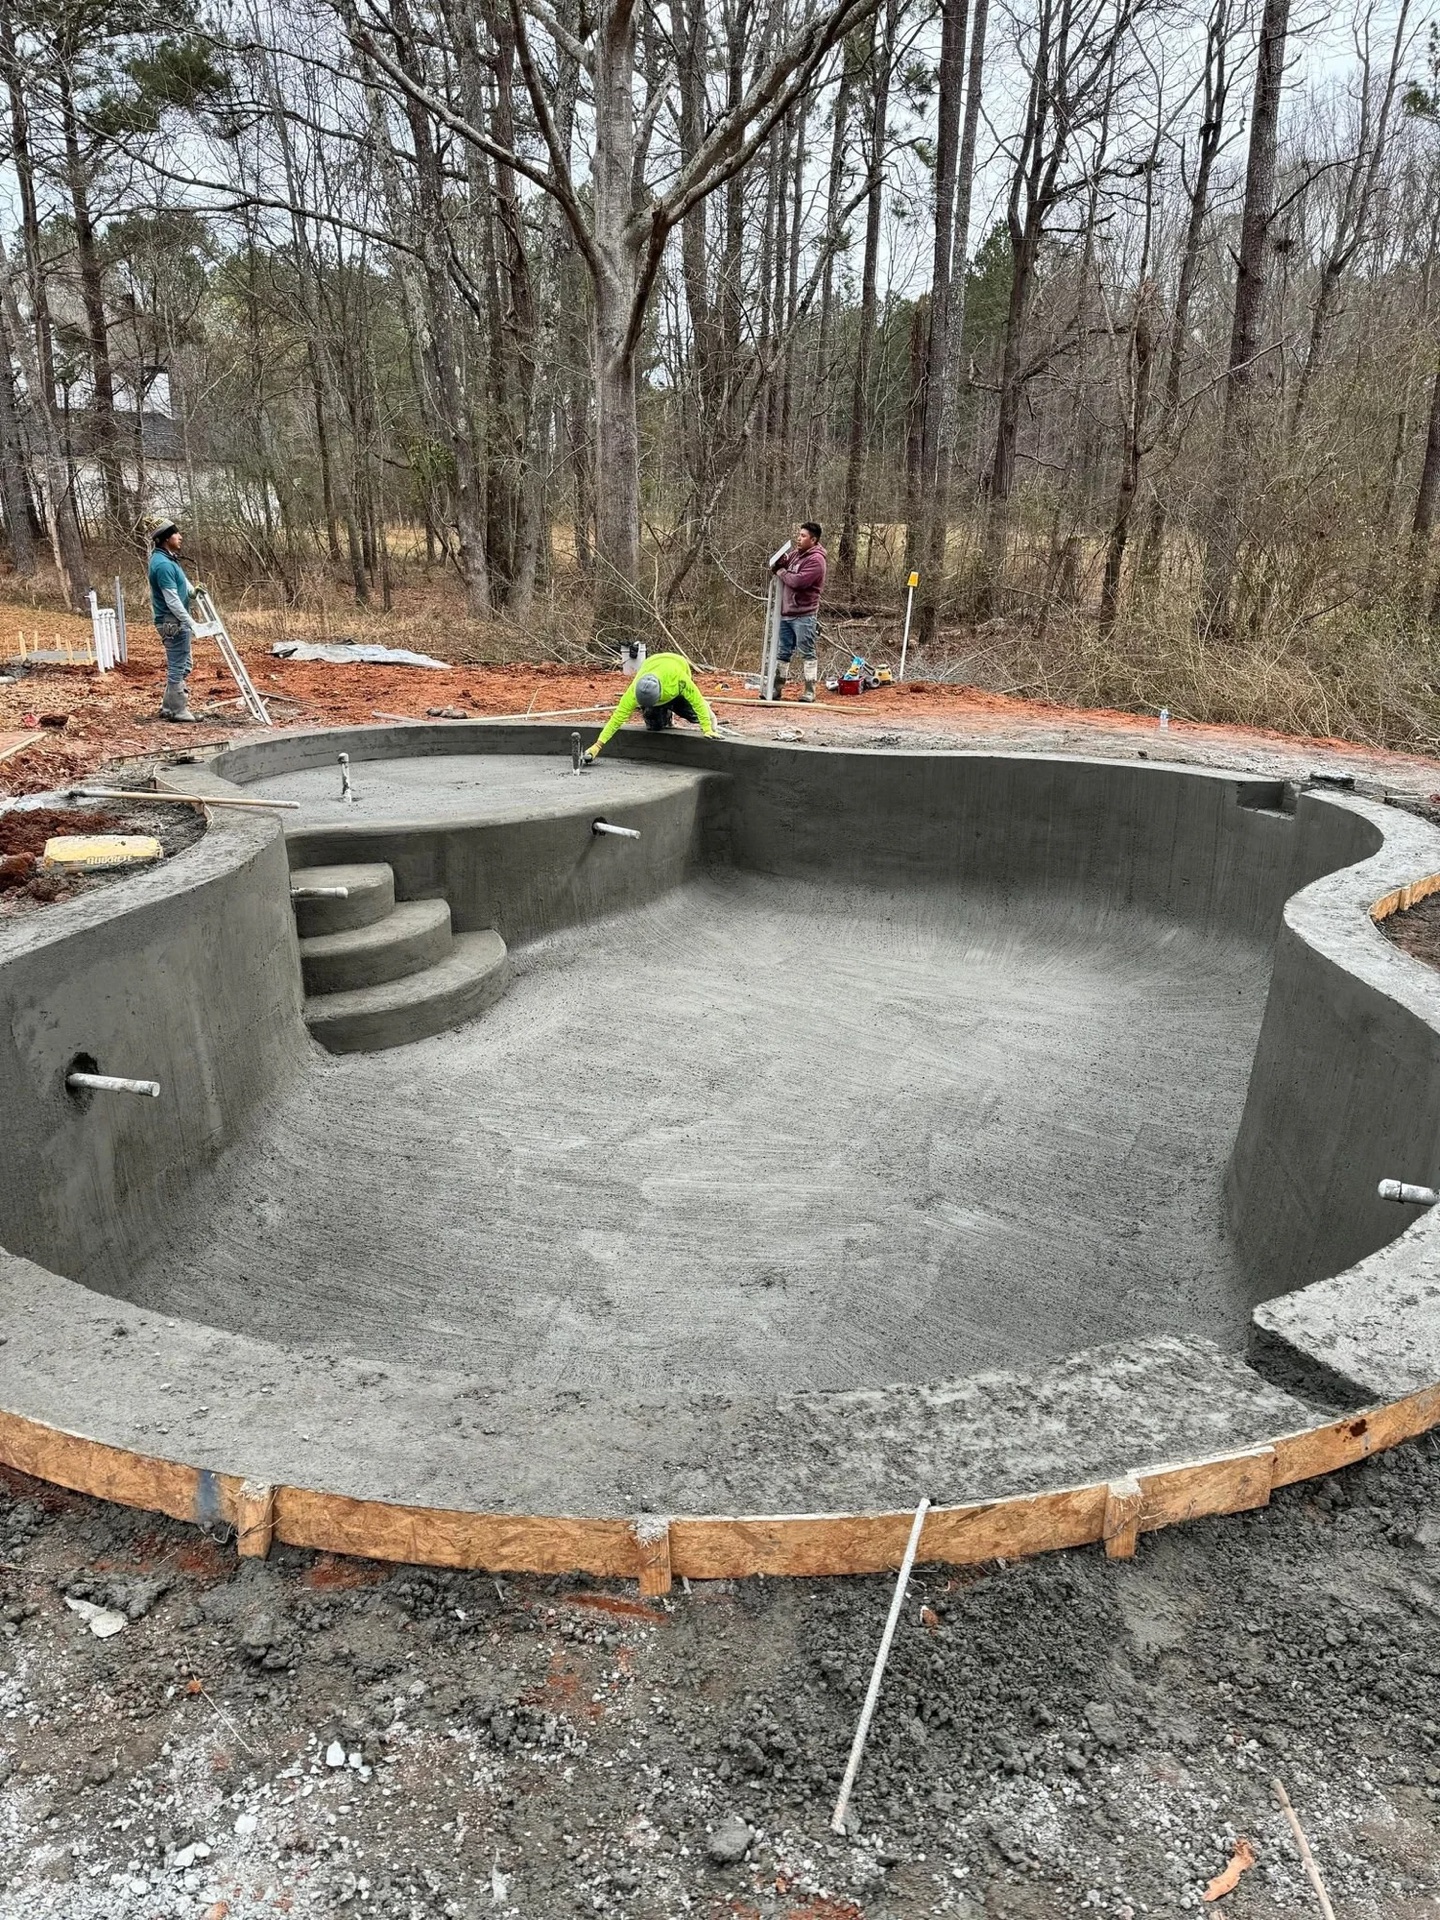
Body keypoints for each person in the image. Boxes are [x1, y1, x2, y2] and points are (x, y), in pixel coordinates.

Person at [584, 650, 717, 760]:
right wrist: (598, 745)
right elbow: (617, 718)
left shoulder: (678, 679)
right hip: (652, 664)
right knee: (655, 725)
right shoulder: (633, 691)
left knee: (695, 715)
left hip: (676, 666)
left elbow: (697, 701)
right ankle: (665, 715)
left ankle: (681, 710)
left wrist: (707, 728)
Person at [147, 518, 199, 723]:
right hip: (172, 621)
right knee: (179, 665)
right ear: (166, 538)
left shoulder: (168, 560)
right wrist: (191, 622)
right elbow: (172, 600)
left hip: (173, 620)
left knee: (183, 663)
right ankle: (177, 709)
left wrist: (193, 593)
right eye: (177, 534)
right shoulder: (162, 565)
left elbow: (181, 589)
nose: (180, 537)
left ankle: (169, 708)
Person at [769, 521, 827, 702]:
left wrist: (781, 573)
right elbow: (782, 563)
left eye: (803, 536)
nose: (799, 538)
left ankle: (810, 690)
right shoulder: (796, 555)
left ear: (814, 539)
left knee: (807, 652)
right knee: (783, 652)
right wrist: (779, 561)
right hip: (786, 613)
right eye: (799, 535)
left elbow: (798, 582)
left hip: (804, 614)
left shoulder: (816, 561)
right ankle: (776, 689)